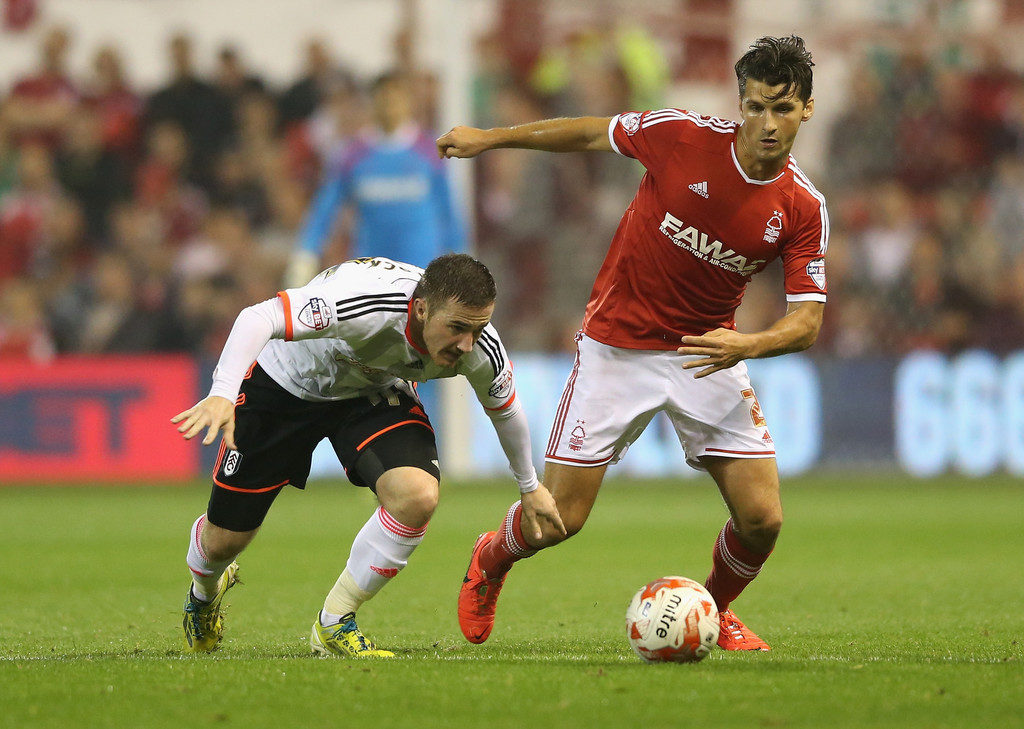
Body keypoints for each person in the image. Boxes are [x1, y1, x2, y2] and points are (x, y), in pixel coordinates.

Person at [436, 35, 828, 651]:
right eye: (755, 106)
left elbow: (807, 321)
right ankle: (491, 558)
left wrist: (744, 346)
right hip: (618, 346)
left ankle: (712, 610)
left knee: (762, 520)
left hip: (708, 354)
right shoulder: (682, 137)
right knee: (559, 519)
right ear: (740, 104)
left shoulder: (803, 206)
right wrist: (491, 138)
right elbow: (591, 133)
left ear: (806, 109)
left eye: (782, 108)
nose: (767, 123)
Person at [171, 254, 563, 656]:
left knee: (417, 495)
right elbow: (259, 317)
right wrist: (221, 392)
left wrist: (529, 486)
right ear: (422, 309)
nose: (466, 344)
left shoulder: (481, 348)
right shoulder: (368, 305)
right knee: (223, 542)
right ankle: (203, 594)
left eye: (477, 330)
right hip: (285, 383)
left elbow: (506, 410)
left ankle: (335, 622)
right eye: (458, 328)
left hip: (368, 394)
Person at [284, 72, 466, 287]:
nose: (390, 105)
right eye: (384, 98)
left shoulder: (429, 151)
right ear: (373, 102)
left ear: (407, 101)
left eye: (395, 98)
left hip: (422, 272)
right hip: (371, 273)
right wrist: (307, 251)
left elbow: (448, 211)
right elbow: (326, 206)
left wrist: (460, 259)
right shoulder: (353, 154)